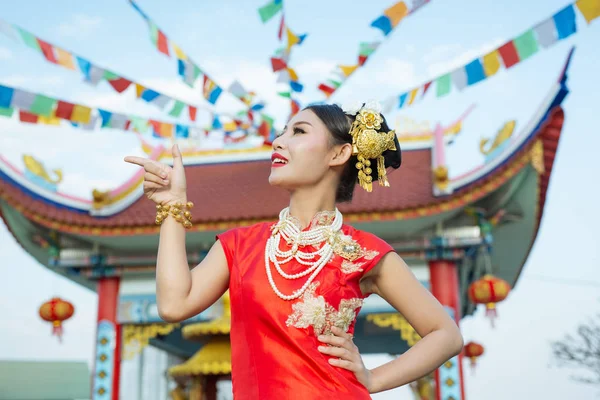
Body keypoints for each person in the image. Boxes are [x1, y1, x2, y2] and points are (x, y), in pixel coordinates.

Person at [124, 101, 463, 399]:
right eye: (282, 132)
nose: (279, 141)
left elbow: (445, 335)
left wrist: (374, 378)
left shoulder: (364, 252)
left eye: (299, 131)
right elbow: (173, 304)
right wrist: (172, 207)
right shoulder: (239, 246)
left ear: (339, 153)